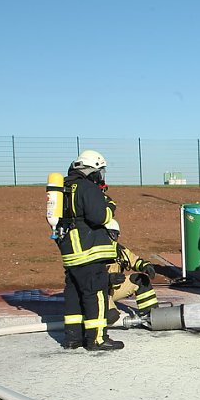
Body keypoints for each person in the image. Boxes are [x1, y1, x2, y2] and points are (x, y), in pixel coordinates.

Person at [57, 149, 124, 350]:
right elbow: (99, 217)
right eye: (100, 171)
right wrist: (110, 206)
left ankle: (73, 339)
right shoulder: (87, 188)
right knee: (95, 295)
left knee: (74, 296)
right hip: (89, 251)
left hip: (71, 252)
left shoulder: (64, 188)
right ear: (92, 169)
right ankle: (97, 339)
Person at [104, 219, 159, 324]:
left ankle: (150, 315)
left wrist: (146, 266)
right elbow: (86, 278)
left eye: (115, 235)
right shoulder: (91, 252)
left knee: (140, 280)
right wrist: (108, 279)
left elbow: (134, 260)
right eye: (111, 234)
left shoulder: (119, 250)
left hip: (113, 290)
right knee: (111, 317)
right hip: (97, 292)